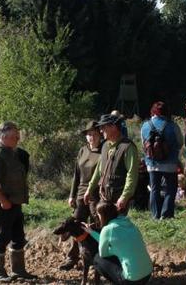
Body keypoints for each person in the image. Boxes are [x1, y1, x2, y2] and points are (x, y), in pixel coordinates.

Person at [0, 121, 37, 282]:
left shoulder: (11, 151)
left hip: (14, 201)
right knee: (2, 237)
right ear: (4, 136)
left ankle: (19, 270)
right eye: (15, 136)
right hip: (3, 204)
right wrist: (3, 201)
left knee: (18, 237)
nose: (18, 138)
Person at [59, 120, 102, 270]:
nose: (92, 137)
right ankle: (72, 257)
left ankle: (98, 258)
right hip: (81, 193)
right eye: (89, 135)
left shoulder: (104, 151)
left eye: (95, 134)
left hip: (96, 195)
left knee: (96, 226)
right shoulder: (83, 150)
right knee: (75, 225)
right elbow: (76, 175)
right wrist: (72, 194)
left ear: (100, 135)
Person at [82, 202, 153, 285]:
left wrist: (113, 250)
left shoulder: (108, 229)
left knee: (97, 259)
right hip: (147, 275)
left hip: (131, 281)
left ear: (102, 215)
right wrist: (91, 232)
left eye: (98, 215)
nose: (98, 218)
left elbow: (103, 254)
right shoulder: (129, 223)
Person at [84, 114, 139, 216]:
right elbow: (99, 170)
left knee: (116, 228)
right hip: (104, 196)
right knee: (104, 227)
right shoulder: (105, 145)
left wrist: (124, 196)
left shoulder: (128, 147)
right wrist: (89, 189)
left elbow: (132, 174)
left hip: (118, 198)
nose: (101, 131)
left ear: (113, 127)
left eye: (103, 127)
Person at [140, 102, 183, 220]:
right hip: (170, 163)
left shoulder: (145, 125)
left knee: (154, 189)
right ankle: (166, 214)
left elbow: (143, 143)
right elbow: (180, 143)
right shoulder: (173, 125)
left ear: (152, 111)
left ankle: (155, 214)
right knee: (171, 188)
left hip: (152, 163)